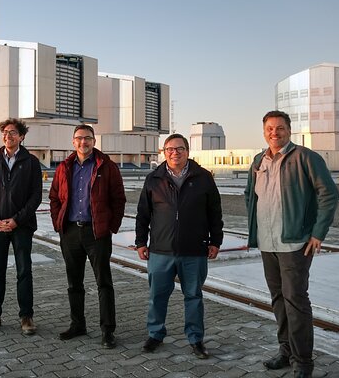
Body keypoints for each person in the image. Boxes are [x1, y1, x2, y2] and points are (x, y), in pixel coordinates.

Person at [245, 110, 339, 378]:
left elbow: (329, 194)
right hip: (267, 242)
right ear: (264, 131)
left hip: (295, 244)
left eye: (280, 128)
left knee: (296, 300)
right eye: (270, 128)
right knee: (278, 300)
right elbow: (250, 195)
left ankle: (303, 363)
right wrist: (255, 226)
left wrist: (317, 233)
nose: (275, 133)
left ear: (289, 130)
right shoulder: (257, 161)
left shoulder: (305, 158)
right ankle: (285, 352)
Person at [135, 134, 223, 358]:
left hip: (193, 250)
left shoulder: (203, 178)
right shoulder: (154, 179)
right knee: (157, 296)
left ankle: (196, 339)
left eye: (180, 149)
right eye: (170, 149)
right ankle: (155, 334)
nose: (175, 153)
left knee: (193, 296)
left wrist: (215, 241)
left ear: (188, 151)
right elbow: (143, 214)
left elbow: (214, 212)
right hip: (160, 251)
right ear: (164, 152)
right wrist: (140, 242)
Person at [49, 124, 126, 349]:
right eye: (79, 138)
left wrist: (110, 227)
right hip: (71, 232)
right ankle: (78, 324)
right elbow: (54, 197)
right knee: (74, 283)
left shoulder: (107, 166)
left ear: (94, 141)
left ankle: (107, 330)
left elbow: (118, 199)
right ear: (73, 142)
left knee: (104, 282)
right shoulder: (64, 167)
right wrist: (58, 223)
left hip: (96, 232)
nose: (84, 142)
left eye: (88, 138)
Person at [0, 118, 43, 335]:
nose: (8, 136)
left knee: (24, 271)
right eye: (5, 132)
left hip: (21, 226)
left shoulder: (31, 162)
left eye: (13, 132)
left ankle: (26, 317)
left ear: (22, 136)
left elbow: (35, 197)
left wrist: (16, 220)